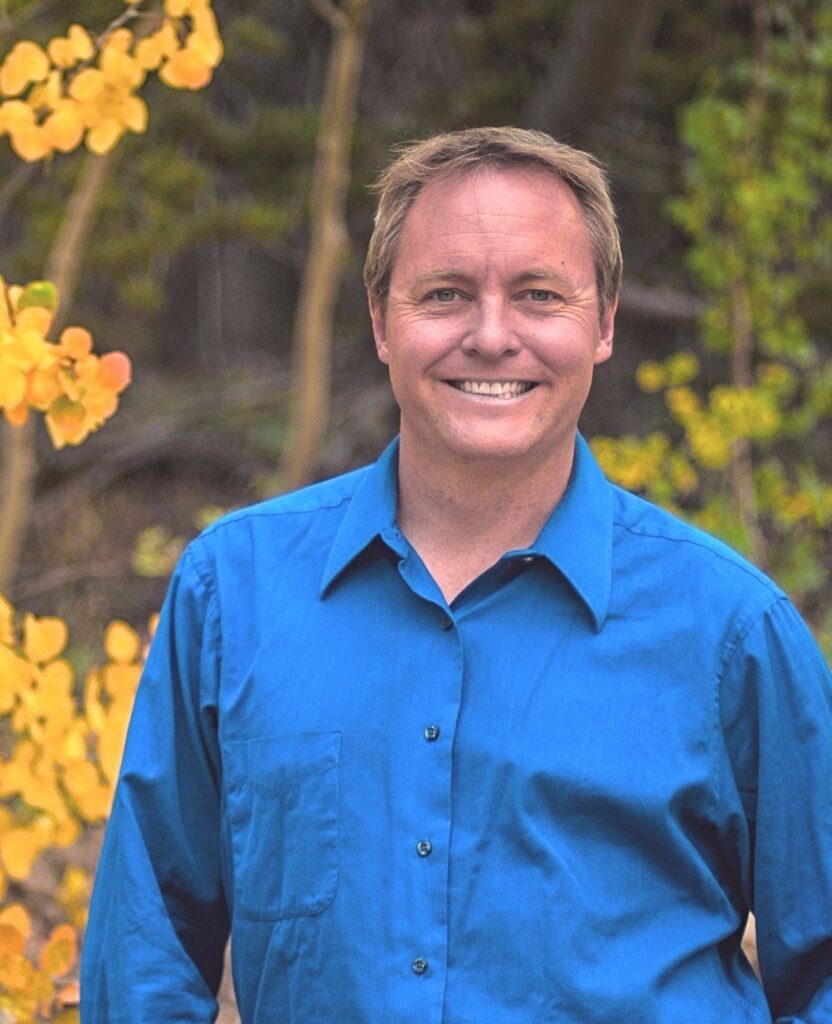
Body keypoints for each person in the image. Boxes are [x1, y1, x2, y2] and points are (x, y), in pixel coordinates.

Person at [80, 127, 832, 1023]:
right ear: (379, 319)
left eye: (539, 294)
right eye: (443, 294)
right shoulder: (233, 591)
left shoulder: (730, 629)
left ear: (604, 322)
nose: (491, 335)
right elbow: (145, 955)